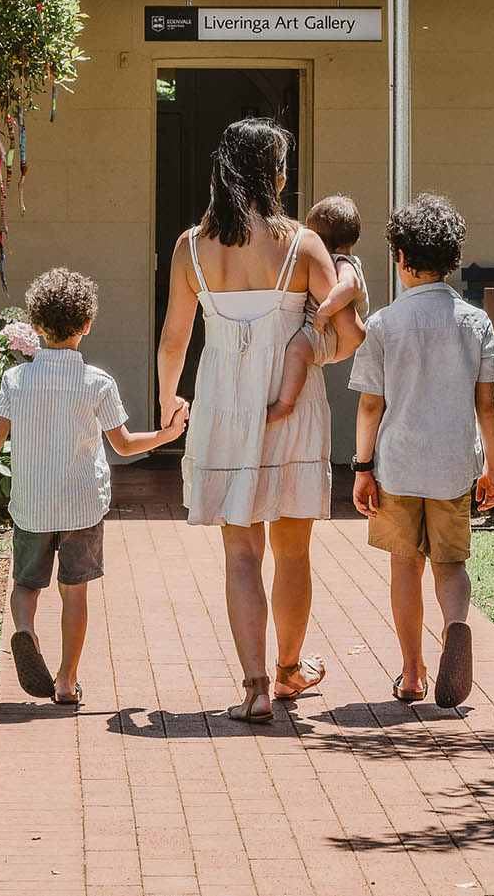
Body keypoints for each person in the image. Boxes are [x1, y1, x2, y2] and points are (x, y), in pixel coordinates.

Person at [157, 117, 338, 723]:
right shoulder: (306, 246)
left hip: (222, 407)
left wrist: (168, 402)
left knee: (240, 555)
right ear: (276, 174)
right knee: (293, 552)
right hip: (291, 411)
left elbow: (173, 342)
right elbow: (338, 335)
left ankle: (256, 686)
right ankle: (289, 670)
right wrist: (306, 346)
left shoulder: (190, 247)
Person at [0, 267, 187, 706]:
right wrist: (167, 435)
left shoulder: (16, 380)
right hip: (81, 505)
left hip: (31, 504)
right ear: (86, 325)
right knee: (74, 591)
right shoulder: (97, 383)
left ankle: (24, 631)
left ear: (37, 326)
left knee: (26, 583)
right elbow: (122, 444)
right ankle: (66, 681)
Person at [348, 193, 494, 710]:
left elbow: (371, 405)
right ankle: (456, 626)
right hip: (455, 463)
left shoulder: (384, 324)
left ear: (402, 259)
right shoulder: (475, 322)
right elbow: (488, 403)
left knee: (403, 564)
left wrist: (362, 468)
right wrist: (493, 468)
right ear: (451, 258)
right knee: (451, 564)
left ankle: (412, 673)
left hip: (397, 463)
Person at [266, 194, 367, 424]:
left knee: (296, 353)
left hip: (328, 328)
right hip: (327, 327)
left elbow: (349, 286)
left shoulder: (343, 261)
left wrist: (325, 312)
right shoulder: (333, 257)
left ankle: (285, 404)